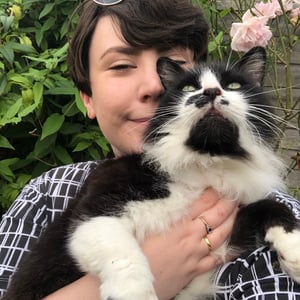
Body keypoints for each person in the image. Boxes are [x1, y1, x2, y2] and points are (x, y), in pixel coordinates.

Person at [0, 0, 299, 299]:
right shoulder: (46, 196)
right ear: (87, 98)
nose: (154, 86)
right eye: (121, 66)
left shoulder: (274, 216)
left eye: (178, 68)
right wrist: (144, 276)